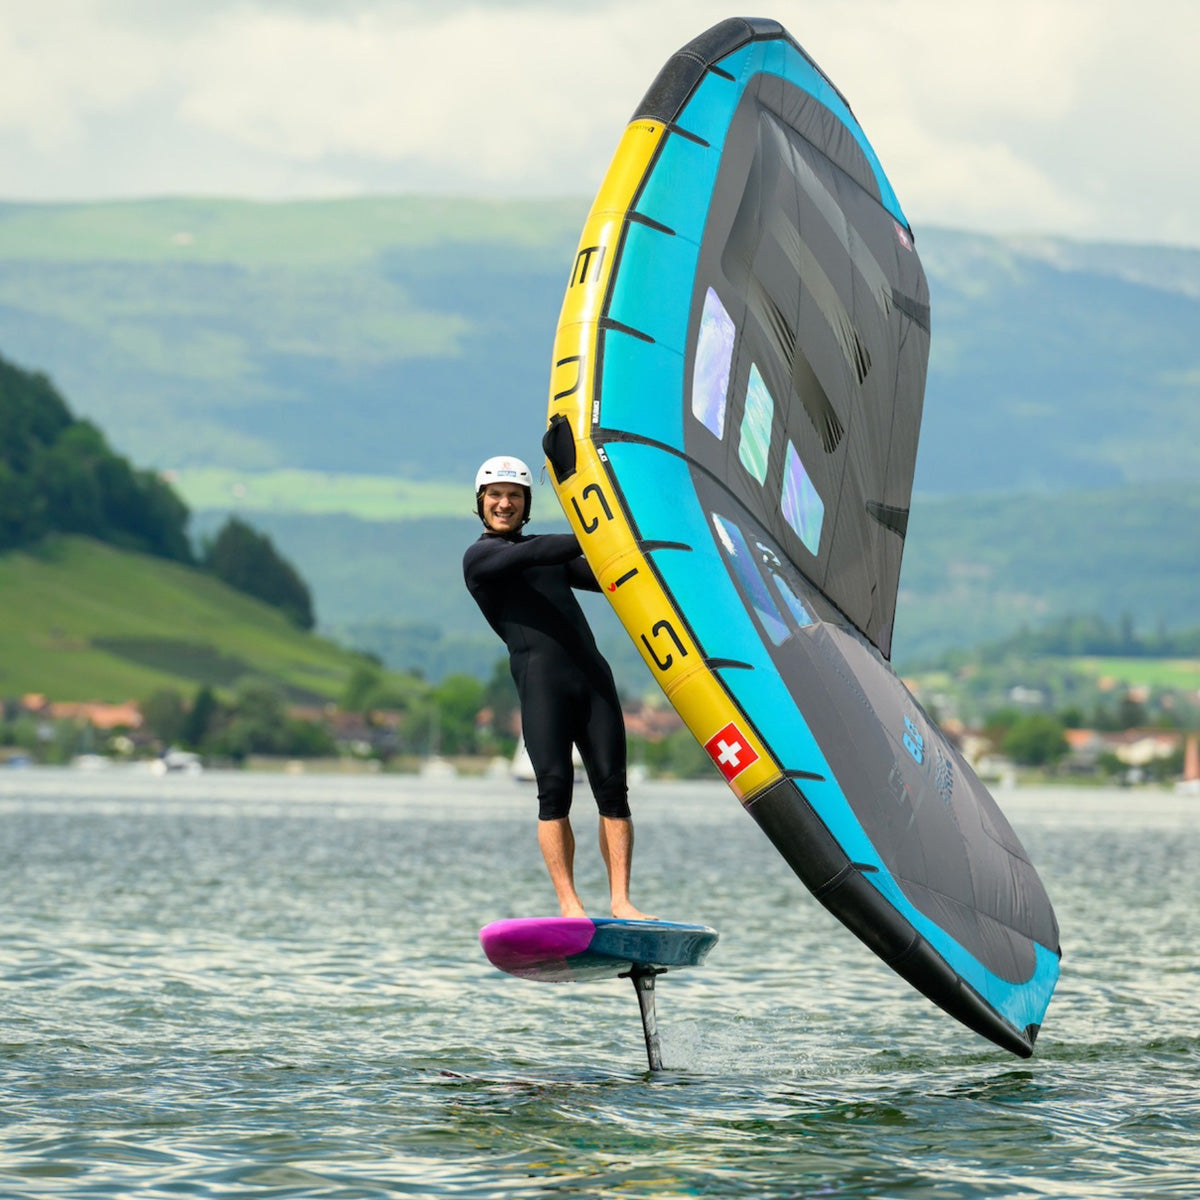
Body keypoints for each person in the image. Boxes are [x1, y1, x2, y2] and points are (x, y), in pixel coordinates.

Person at [463, 455, 653, 921]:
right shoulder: (482, 559)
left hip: (593, 681)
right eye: (495, 495)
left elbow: (611, 578)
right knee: (554, 792)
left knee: (614, 791)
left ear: (526, 504)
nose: (504, 503)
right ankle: (570, 905)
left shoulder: (550, 555)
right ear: (481, 503)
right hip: (542, 687)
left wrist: (647, 549)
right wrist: (600, 529)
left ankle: (621, 901)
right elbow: (534, 554)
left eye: (514, 496)